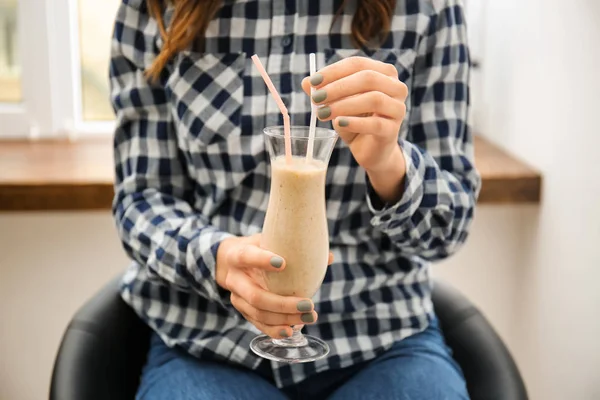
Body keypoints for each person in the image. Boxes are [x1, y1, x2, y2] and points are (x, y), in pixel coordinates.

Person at [110, 0, 481, 398]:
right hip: (206, 340)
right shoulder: (154, 8)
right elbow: (141, 198)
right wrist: (217, 258)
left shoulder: (429, 9)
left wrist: (390, 165)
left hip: (381, 338)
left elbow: (449, 228)